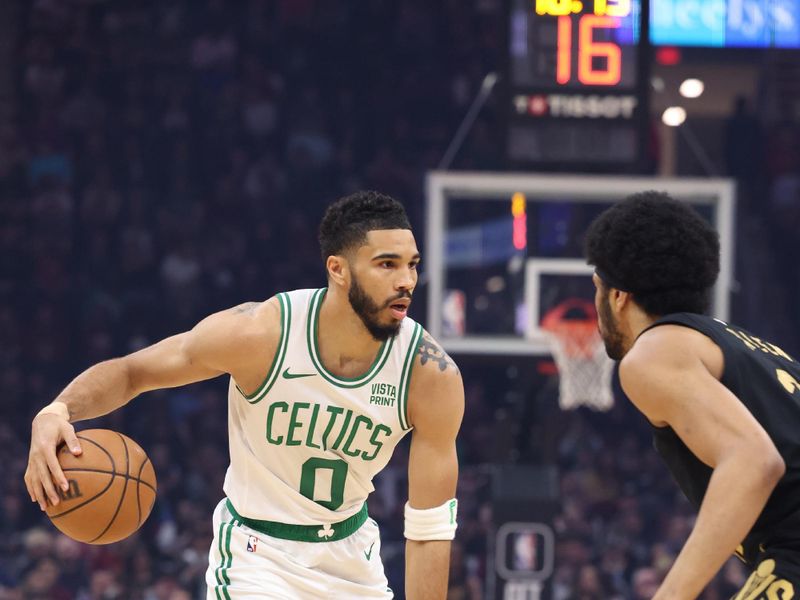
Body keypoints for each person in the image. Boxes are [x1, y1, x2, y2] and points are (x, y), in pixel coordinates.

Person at [24, 191, 464, 599]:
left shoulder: (430, 376)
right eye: (387, 264)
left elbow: (429, 529)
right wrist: (58, 409)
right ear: (338, 269)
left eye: (412, 264)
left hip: (352, 560)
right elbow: (132, 372)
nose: (407, 280)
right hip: (257, 557)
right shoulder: (261, 335)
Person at [584, 191, 800, 599]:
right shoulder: (752, 350)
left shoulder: (652, 354)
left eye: (596, 288)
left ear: (617, 295)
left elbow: (755, 460)